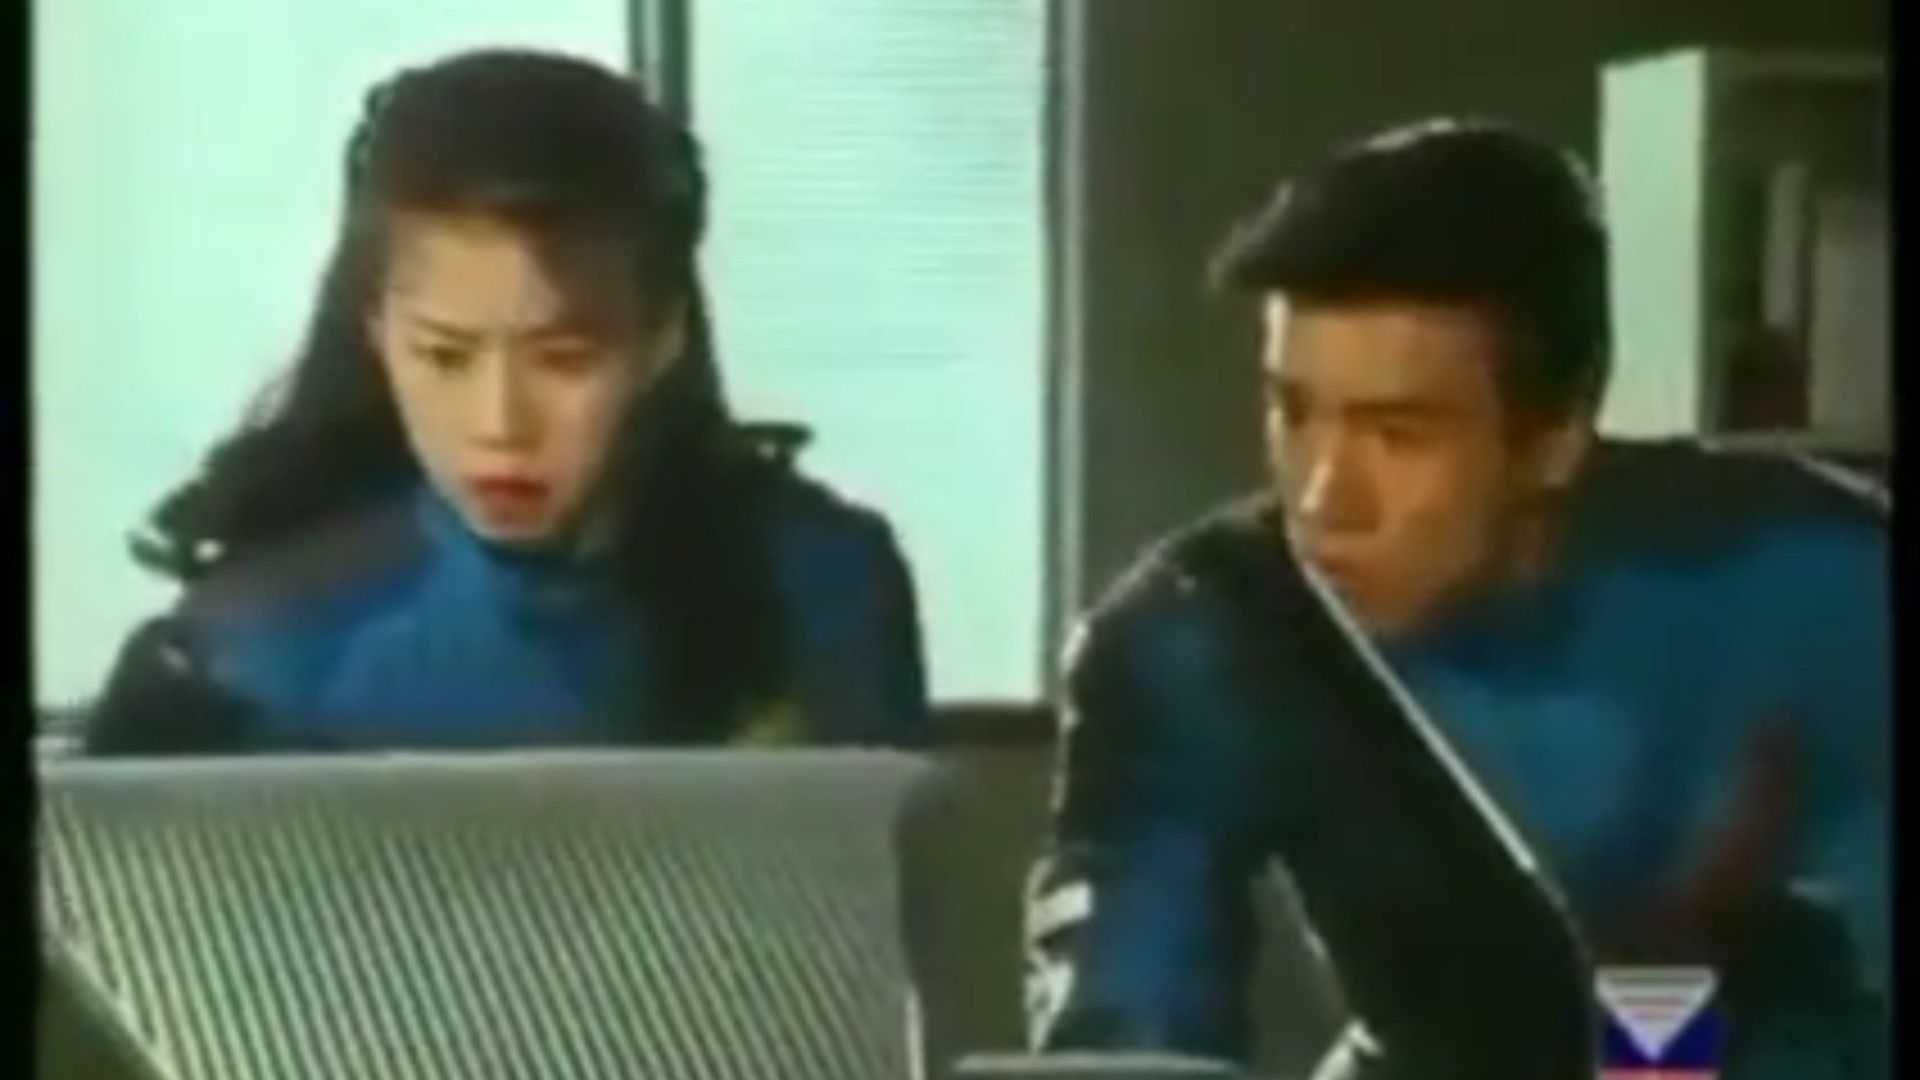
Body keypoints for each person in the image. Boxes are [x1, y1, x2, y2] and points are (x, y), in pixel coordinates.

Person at [1025, 119, 1888, 1078]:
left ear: (1556, 437)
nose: (1324, 499)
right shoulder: (1204, 632)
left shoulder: (1812, 582)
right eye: (1293, 411)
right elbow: (1128, 1014)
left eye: (1398, 434)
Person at [81, 50, 929, 754]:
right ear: (377, 330)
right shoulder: (252, 649)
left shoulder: (820, 586)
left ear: (661, 339)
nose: (500, 425)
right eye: (445, 356)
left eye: (565, 360)